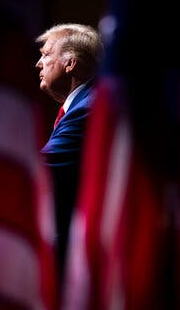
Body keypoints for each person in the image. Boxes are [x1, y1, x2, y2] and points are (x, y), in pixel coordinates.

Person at [35, 23, 104, 281]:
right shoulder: (85, 104)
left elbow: (45, 167)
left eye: (46, 54)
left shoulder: (89, 107)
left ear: (70, 63)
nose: (38, 64)